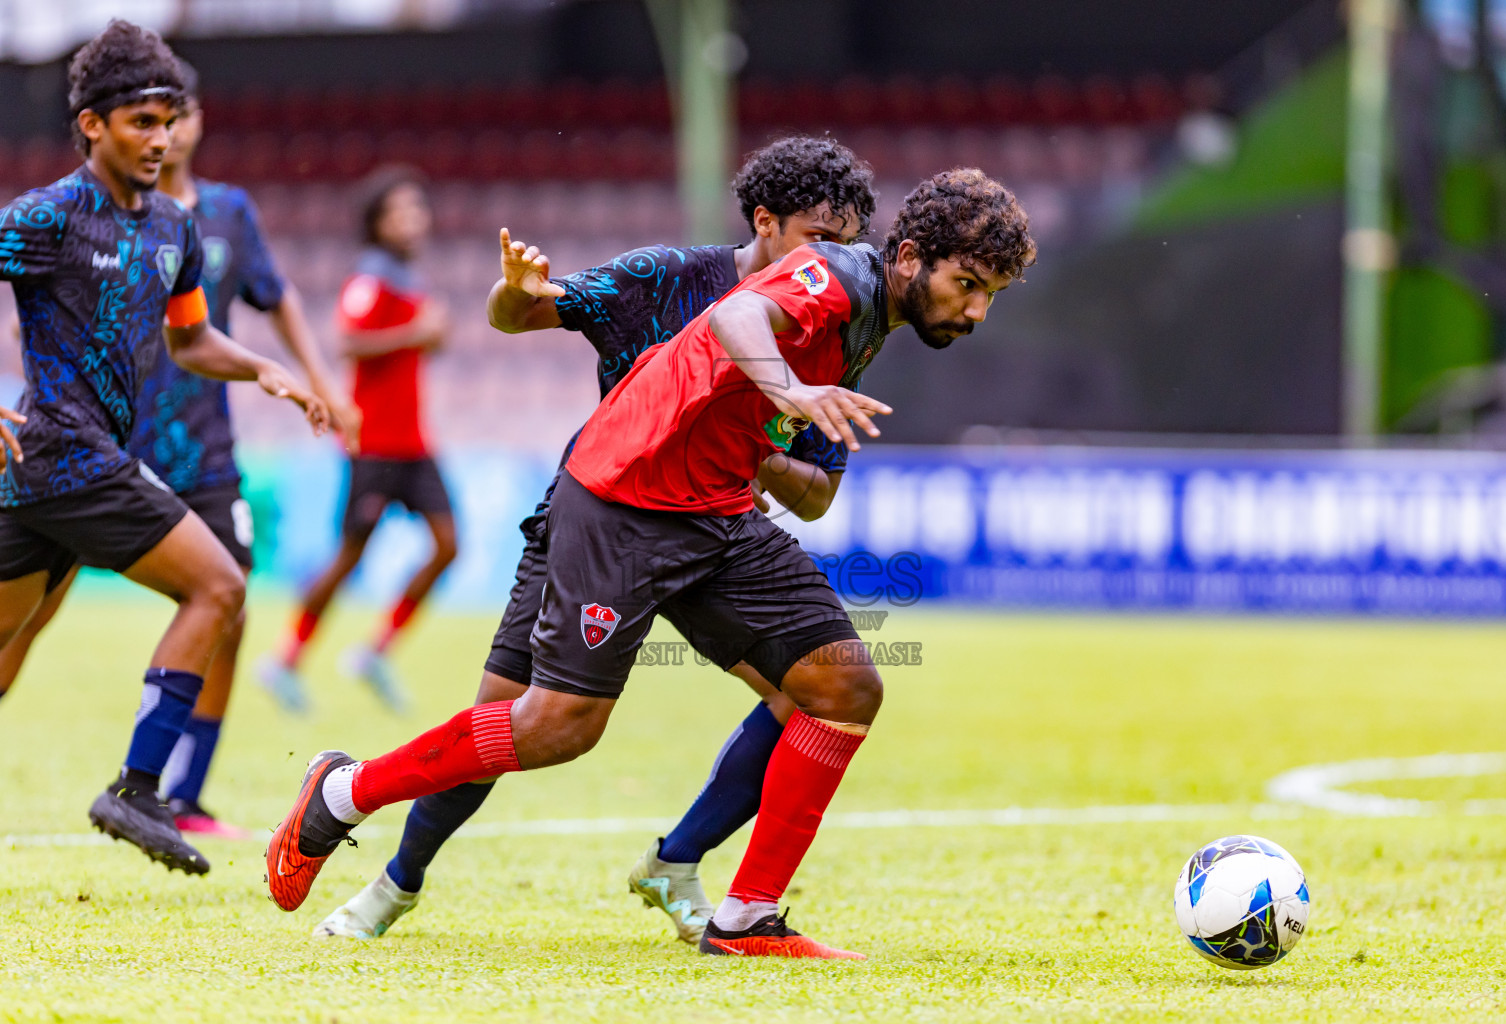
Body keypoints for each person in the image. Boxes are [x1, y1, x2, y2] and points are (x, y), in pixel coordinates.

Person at [267, 168, 1034, 958]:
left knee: (843, 684)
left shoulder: (869, 323)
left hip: (715, 511)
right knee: (554, 726)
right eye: (967, 284)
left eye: (990, 295)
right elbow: (738, 313)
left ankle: (745, 920)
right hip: (623, 497)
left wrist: (776, 434)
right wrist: (787, 390)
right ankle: (343, 794)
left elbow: (812, 493)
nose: (975, 310)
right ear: (909, 256)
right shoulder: (838, 272)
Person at [0, 21, 328, 874]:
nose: (160, 138)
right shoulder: (46, 217)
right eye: (140, 121)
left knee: (4, 655)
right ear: (91, 126)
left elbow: (190, 341)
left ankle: (144, 786)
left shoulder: (175, 230)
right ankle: (139, 788)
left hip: (56, 475)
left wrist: (262, 367)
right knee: (218, 584)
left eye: (168, 119)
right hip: (66, 455)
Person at [259, 166, 455, 713]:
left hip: (415, 443)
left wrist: (430, 336)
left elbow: (414, 347)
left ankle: (375, 652)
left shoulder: (407, 277)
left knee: (448, 545)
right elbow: (348, 339)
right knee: (349, 557)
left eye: (417, 209)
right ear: (377, 223)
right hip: (375, 444)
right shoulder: (371, 277)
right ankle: (284, 659)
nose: (413, 220)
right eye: (399, 212)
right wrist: (419, 333)